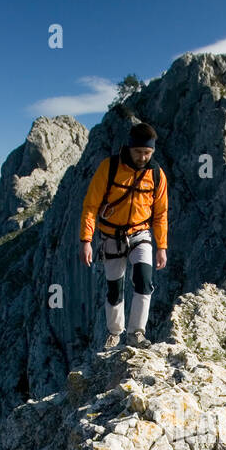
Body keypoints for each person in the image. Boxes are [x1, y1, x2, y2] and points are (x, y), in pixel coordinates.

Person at [79, 121, 168, 349]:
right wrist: (86, 241)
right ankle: (115, 332)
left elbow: (160, 214)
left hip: (141, 234)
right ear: (129, 147)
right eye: (138, 152)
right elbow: (90, 206)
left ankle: (136, 333)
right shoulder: (109, 168)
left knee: (144, 280)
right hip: (111, 237)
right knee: (114, 289)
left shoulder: (157, 176)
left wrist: (162, 247)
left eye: (147, 152)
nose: (142, 157)